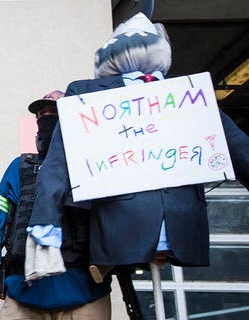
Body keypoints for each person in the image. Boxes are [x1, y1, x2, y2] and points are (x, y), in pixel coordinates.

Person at [28, 13, 249, 278]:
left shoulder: (189, 92)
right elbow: (58, 164)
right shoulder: (86, 94)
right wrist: (45, 226)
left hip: (181, 221)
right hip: (121, 223)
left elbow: (239, 149)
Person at [0, 91, 112, 319]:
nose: (46, 119)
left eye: (54, 113)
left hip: (87, 295)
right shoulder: (19, 168)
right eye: (41, 115)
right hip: (24, 296)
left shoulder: (94, 167)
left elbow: (120, 218)